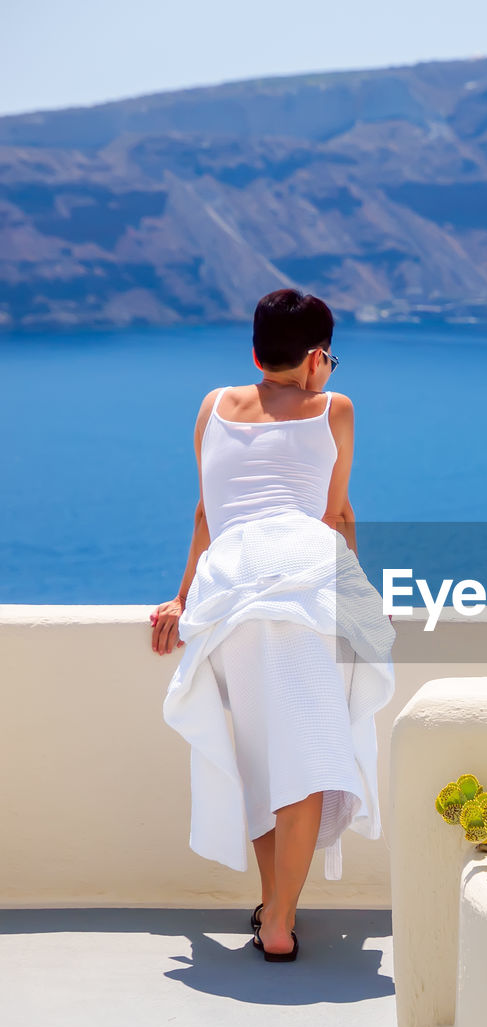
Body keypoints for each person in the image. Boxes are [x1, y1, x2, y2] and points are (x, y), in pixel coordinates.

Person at [153, 289, 396, 963]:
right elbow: (338, 515)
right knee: (311, 760)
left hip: (230, 592)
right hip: (306, 584)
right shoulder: (333, 409)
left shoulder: (214, 406)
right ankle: (282, 919)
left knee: (262, 759)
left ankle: (274, 911)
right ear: (318, 358)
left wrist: (180, 600)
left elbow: (208, 514)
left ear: (256, 350)